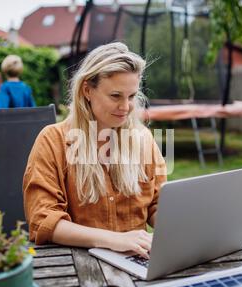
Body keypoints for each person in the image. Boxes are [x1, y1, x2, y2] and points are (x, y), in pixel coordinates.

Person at [23, 42, 167, 259]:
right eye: (115, 96)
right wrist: (114, 239)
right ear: (87, 90)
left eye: (131, 96)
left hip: (139, 259)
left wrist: (180, 223)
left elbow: (157, 204)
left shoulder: (143, 139)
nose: (126, 107)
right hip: (77, 263)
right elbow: (43, 220)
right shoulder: (53, 141)